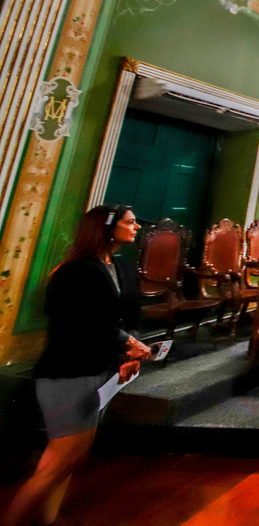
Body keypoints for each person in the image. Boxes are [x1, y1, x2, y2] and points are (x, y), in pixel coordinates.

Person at [4, 205, 151, 526]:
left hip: (102, 370)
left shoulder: (123, 268)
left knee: (70, 458)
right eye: (130, 221)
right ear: (106, 227)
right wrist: (127, 342)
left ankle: (48, 518)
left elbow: (133, 316)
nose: (137, 226)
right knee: (60, 460)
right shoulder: (73, 271)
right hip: (68, 371)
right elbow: (80, 321)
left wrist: (130, 355)